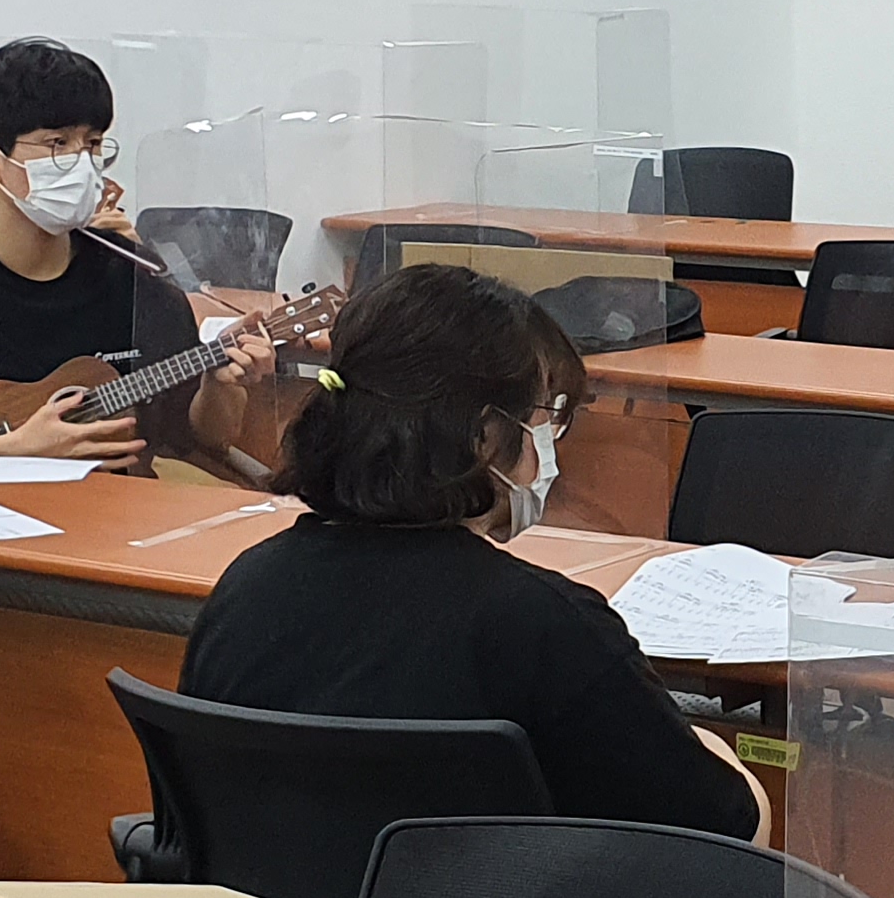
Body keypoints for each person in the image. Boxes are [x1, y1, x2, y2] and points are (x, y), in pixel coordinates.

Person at [181, 264, 769, 839]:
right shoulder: (543, 624)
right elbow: (722, 828)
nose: (549, 444)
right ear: (484, 436)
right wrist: (713, 749)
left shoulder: (245, 590)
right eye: (546, 417)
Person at [0, 37, 270, 475]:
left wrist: (220, 385)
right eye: (57, 144)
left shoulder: (137, 278)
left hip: (115, 513)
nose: (81, 163)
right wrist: (9, 450)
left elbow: (199, 441)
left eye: (93, 143)